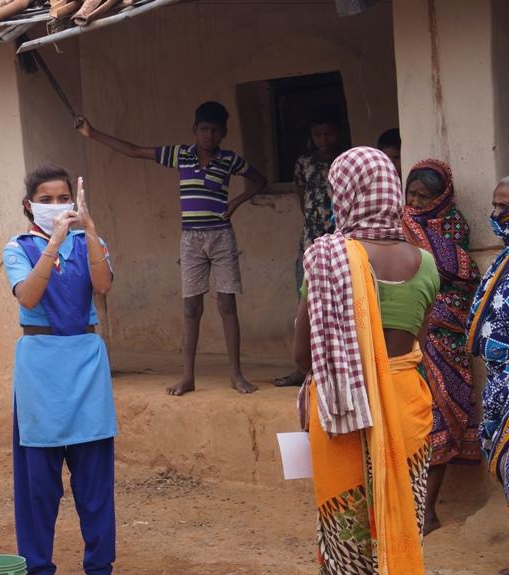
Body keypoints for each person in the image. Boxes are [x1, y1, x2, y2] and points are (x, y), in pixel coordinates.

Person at [293, 147, 438, 574]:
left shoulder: (328, 260)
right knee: (400, 522)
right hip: (407, 409)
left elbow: (302, 356)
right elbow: (419, 345)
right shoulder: (426, 263)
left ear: (346, 194)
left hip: (344, 413)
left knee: (349, 539)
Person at [77, 101, 269, 396]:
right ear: (195, 130)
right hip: (190, 239)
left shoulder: (230, 160)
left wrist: (236, 202)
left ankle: (236, 375)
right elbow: (134, 150)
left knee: (227, 304)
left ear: (224, 133)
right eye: (204, 129)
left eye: (215, 131)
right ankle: (187, 377)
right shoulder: (180, 155)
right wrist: (93, 133)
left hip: (221, 237)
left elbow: (260, 180)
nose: (209, 136)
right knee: (191, 307)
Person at [2, 164, 116, 575]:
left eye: (63, 198)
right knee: (38, 485)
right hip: (40, 368)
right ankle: (36, 566)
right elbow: (29, 296)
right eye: (46, 199)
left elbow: (102, 287)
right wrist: (54, 241)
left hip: (86, 364)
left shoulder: (92, 241)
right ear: (29, 206)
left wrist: (86, 226)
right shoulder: (17, 247)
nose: (56, 206)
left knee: (95, 483)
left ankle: (100, 566)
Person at [402, 159, 481, 535]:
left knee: (440, 416)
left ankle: (428, 511)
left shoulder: (454, 226)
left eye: (423, 196)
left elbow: (466, 278)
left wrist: (432, 313)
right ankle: (408, 508)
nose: (415, 202)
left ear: (442, 197)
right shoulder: (397, 224)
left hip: (443, 336)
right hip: (405, 334)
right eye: (411, 194)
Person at [275, 105, 343, 387]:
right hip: (310, 240)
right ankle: (305, 369)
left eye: (328, 134)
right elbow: (301, 194)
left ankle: (336, 366)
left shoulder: (343, 160)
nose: (323, 140)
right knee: (304, 304)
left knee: (339, 305)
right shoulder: (304, 162)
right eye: (318, 134)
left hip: (340, 238)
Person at [467, 177, 509, 575]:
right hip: (502, 387)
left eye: (505, 209)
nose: (497, 217)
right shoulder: (504, 259)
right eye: (495, 207)